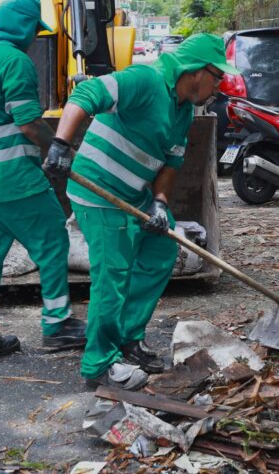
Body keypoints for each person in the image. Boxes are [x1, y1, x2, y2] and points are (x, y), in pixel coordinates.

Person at [44, 34, 240, 389]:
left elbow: (171, 162)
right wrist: (60, 145)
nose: (219, 86)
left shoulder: (183, 109)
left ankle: (127, 338)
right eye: (218, 76)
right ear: (196, 71)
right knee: (113, 275)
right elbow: (85, 95)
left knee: (161, 250)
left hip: (134, 195)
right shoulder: (144, 79)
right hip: (98, 191)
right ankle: (98, 364)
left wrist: (160, 203)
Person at [0, 0, 86, 364]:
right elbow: (28, 122)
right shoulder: (14, 61)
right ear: (25, 27)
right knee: (52, 243)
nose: (35, 38)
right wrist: (58, 147)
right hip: (15, 181)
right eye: (34, 30)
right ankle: (58, 324)